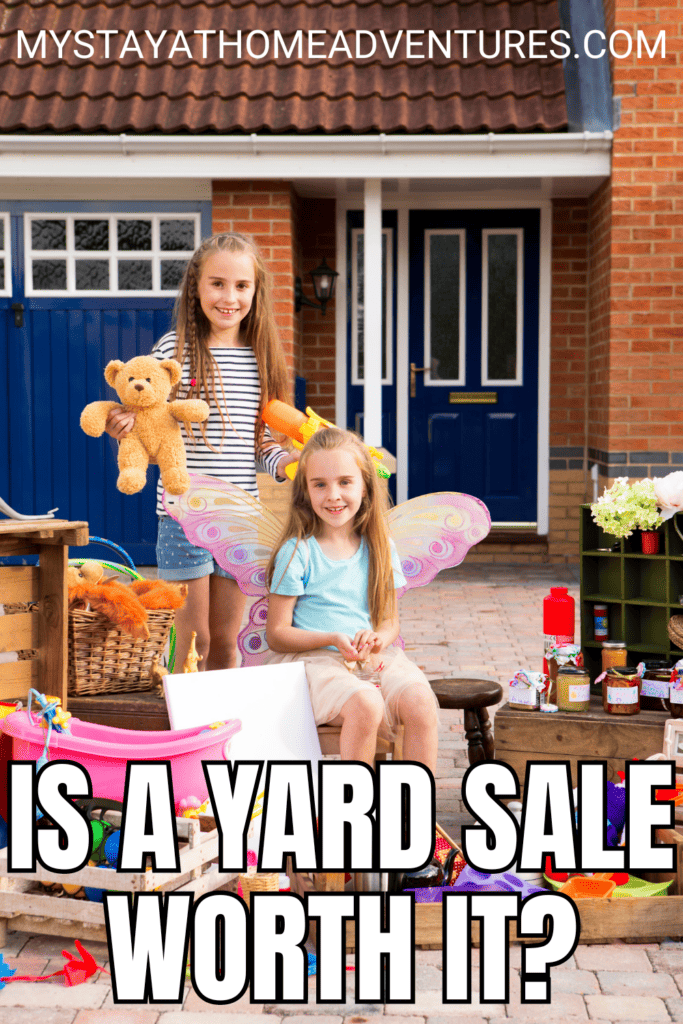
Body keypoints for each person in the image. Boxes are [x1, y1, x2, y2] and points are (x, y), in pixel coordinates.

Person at [105, 232, 298, 671]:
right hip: (182, 514)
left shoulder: (262, 357)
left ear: (256, 290)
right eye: (217, 283)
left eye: (241, 286)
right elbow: (149, 423)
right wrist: (123, 427)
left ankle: (221, 734)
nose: (229, 297)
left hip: (239, 519)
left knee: (228, 643)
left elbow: (260, 442)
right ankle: (185, 732)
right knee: (194, 641)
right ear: (196, 286)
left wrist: (286, 464)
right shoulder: (174, 350)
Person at [265, 428, 439, 772]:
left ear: (365, 487)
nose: (334, 495)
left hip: (371, 658)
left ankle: (417, 811)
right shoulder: (298, 551)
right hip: (312, 662)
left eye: (345, 482)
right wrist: (331, 638)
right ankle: (355, 807)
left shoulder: (379, 547)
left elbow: (389, 622)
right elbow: (277, 633)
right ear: (305, 491)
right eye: (320, 484)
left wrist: (378, 638)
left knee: (420, 701)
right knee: (366, 702)